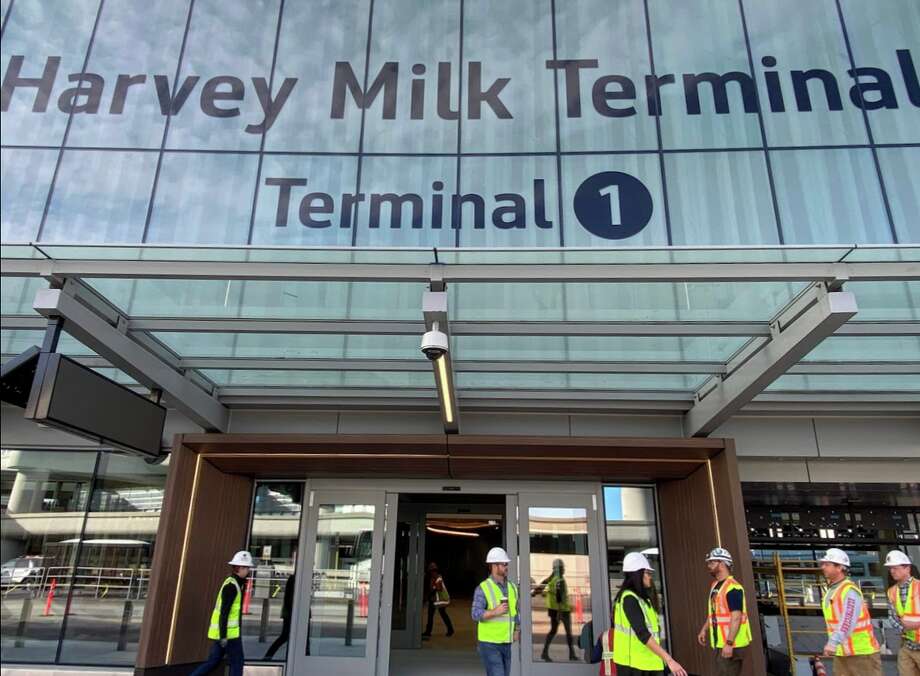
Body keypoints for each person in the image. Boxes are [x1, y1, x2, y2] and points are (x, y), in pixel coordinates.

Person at [612, 552, 686, 676]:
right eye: (648, 573)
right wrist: (669, 660)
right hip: (635, 666)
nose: (650, 577)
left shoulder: (642, 600)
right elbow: (642, 634)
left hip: (647, 663)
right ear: (638, 574)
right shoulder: (629, 599)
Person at [189, 550, 254, 676]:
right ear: (240, 568)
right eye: (247, 568)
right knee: (237, 664)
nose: (248, 571)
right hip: (229, 635)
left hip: (223, 634)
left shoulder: (232, 583)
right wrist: (224, 636)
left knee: (212, 662)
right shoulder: (231, 586)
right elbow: (224, 613)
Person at [819, 547, 881, 676]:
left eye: (827, 564)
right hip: (842, 653)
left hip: (862, 654)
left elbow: (848, 619)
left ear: (840, 567)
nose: (823, 567)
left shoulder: (849, 591)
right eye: (822, 564)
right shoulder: (832, 590)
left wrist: (833, 642)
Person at [696, 547, 751, 676]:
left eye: (712, 562)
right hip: (722, 643)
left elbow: (736, 617)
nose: (709, 566)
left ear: (722, 564)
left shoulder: (733, 588)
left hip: (733, 644)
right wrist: (704, 629)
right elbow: (715, 613)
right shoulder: (716, 585)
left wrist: (729, 643)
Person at [472, 546, 520, 676]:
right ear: (494, 566)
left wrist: (516, 630)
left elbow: (516, 612)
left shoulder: (512, 587)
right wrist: (495, 612)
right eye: (504, 564)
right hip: (489, 643)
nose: (506, 567)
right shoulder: (483, 588)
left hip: (506, 642)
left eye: (506, 564)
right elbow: (475, 614)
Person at [534, 558, 578, 661]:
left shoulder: (550, 579)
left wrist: (535, 592)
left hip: (553, 610)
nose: (564, 570)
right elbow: (559, 597)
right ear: (559, 569)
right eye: (562, 568)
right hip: (561, 610)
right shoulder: (559, 580)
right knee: (568, 632)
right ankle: (571, 654)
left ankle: (545, 652)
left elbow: (540, 588)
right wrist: (560, 612)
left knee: (553, 631)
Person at [885, 550, 920, 675]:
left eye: (895, 568)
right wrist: (904, 627)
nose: (892, 571)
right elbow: (892, 617)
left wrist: (915, 625)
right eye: (890, 568)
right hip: (907, 645)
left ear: (907, 568)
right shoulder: (892, 591)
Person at [263, 571, 295, 659]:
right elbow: (290, 598)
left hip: (291, 612)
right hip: (291, 613)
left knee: (286, 636)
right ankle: (268, 656)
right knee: (285, 636)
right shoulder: (295, 579)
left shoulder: (295, 579)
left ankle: (268, 655)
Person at [422, 561, 454, 638]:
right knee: (432, 615)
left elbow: (439, 588)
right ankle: (428, 631)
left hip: (439, 600)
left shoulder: (438, 577)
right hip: (434, 600)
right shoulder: (433, 578)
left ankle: (450, 630)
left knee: (441, 614)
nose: (432, 573)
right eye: (432, 571)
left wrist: (433, 588)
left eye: (433, 571)